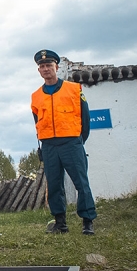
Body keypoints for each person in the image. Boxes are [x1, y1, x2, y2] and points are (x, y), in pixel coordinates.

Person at [31, 49, 96, 235]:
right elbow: (37, 123)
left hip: (71, 142)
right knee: (54, 184)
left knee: (81, 183)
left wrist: (78, 140)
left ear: (56, 67)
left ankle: (87, 221)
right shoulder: (35, 96)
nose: (45, 69)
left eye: (49, 65)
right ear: (39, 71)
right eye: (42, 66)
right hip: (49, 145)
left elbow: (85, 118)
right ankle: (60, 223)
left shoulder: (74, 89)